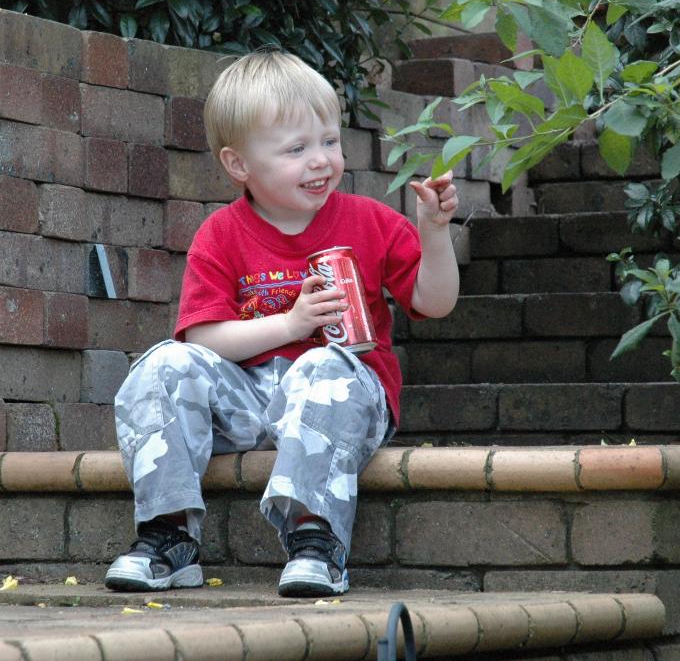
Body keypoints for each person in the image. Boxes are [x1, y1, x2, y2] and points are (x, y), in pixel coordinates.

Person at [104, 49, 459, 597]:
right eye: (296, 149)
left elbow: (435, 303)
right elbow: (203, 337)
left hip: (343, 396)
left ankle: (316, 542)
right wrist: (290, 324)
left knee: (322, 364)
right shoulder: (221, 234)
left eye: (329, 142)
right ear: (238, 164)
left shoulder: (370, 220)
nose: (320, 160)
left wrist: (434, 233)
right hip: (249, 399)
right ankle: (167, 537)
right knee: (164, 364)